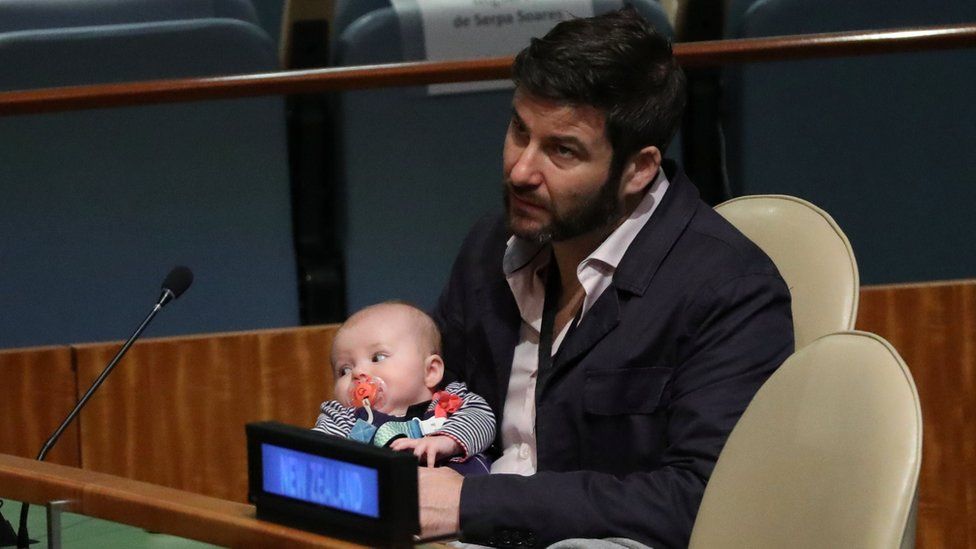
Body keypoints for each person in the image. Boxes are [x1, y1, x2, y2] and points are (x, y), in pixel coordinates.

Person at [419, 7, 794, 548]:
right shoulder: (489, 247)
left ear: (638, 170)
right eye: (519, 130)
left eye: (561, 150)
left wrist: (469, 502)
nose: (521, 170)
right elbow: (440, 405)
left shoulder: (731, 290)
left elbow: (703, 499)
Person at [313, 302, 494, 474]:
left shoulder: (450, 402)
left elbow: (483, 418)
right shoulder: (344, 419)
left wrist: (447, 440)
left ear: (430, 371)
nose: (358, 372)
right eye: (344, 370)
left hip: (462, 498)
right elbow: (317, 451)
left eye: (377, 358)